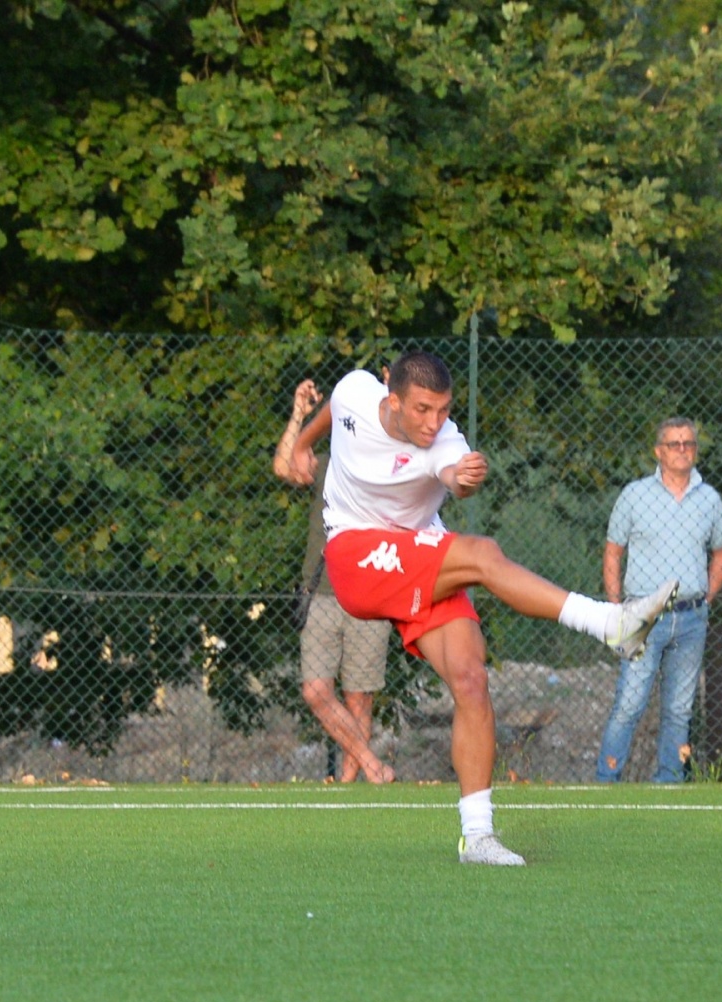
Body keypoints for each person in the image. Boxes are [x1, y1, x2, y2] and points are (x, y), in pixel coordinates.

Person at [289, 352, 677, 866]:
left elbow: (456, 475)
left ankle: (478, 837)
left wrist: (463, 476)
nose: (435, 422)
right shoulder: (355, 392)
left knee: (471, 681)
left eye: (444, 409)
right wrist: (302, 443)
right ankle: (610, 623)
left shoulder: (445, 442)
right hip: (356, 554)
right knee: (483, 554)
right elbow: (334, 410)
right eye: (423, 409)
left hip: (420, 554)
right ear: (393, 399)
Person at [273, 378, 396, 784]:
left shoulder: (394, 470)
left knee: (360, 698)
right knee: (315, 690)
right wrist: (298, 415)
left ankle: (348, 788)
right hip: (322, 593)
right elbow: (284, 466)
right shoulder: (330, 466)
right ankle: (372, 764)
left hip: (370, 597)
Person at [597, 418, 722, 783]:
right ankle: (606, 781)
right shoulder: (635, 495)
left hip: (691, 617)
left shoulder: (709, 499)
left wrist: (707, 596)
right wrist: (616, 607)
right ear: (659, 451)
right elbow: (613, 552)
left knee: (679, 709)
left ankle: (669, 784)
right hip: (642, 614)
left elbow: (721, 551)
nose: (682, 450)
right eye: (674, 444)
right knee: (629, 704)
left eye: (689, 443)